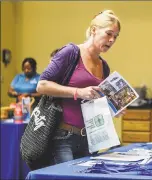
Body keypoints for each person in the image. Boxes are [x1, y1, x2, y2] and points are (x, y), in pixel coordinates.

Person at [37, 10, 122, 167]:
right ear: (94, 30)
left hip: (89, 139)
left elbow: (95, 101)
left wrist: (113, 109)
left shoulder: (104, 67)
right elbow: (42, 85)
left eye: (115, 37)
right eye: (109, 34)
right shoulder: (70, 52)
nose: (111, 40)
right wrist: (78, 92)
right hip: (63, 138)